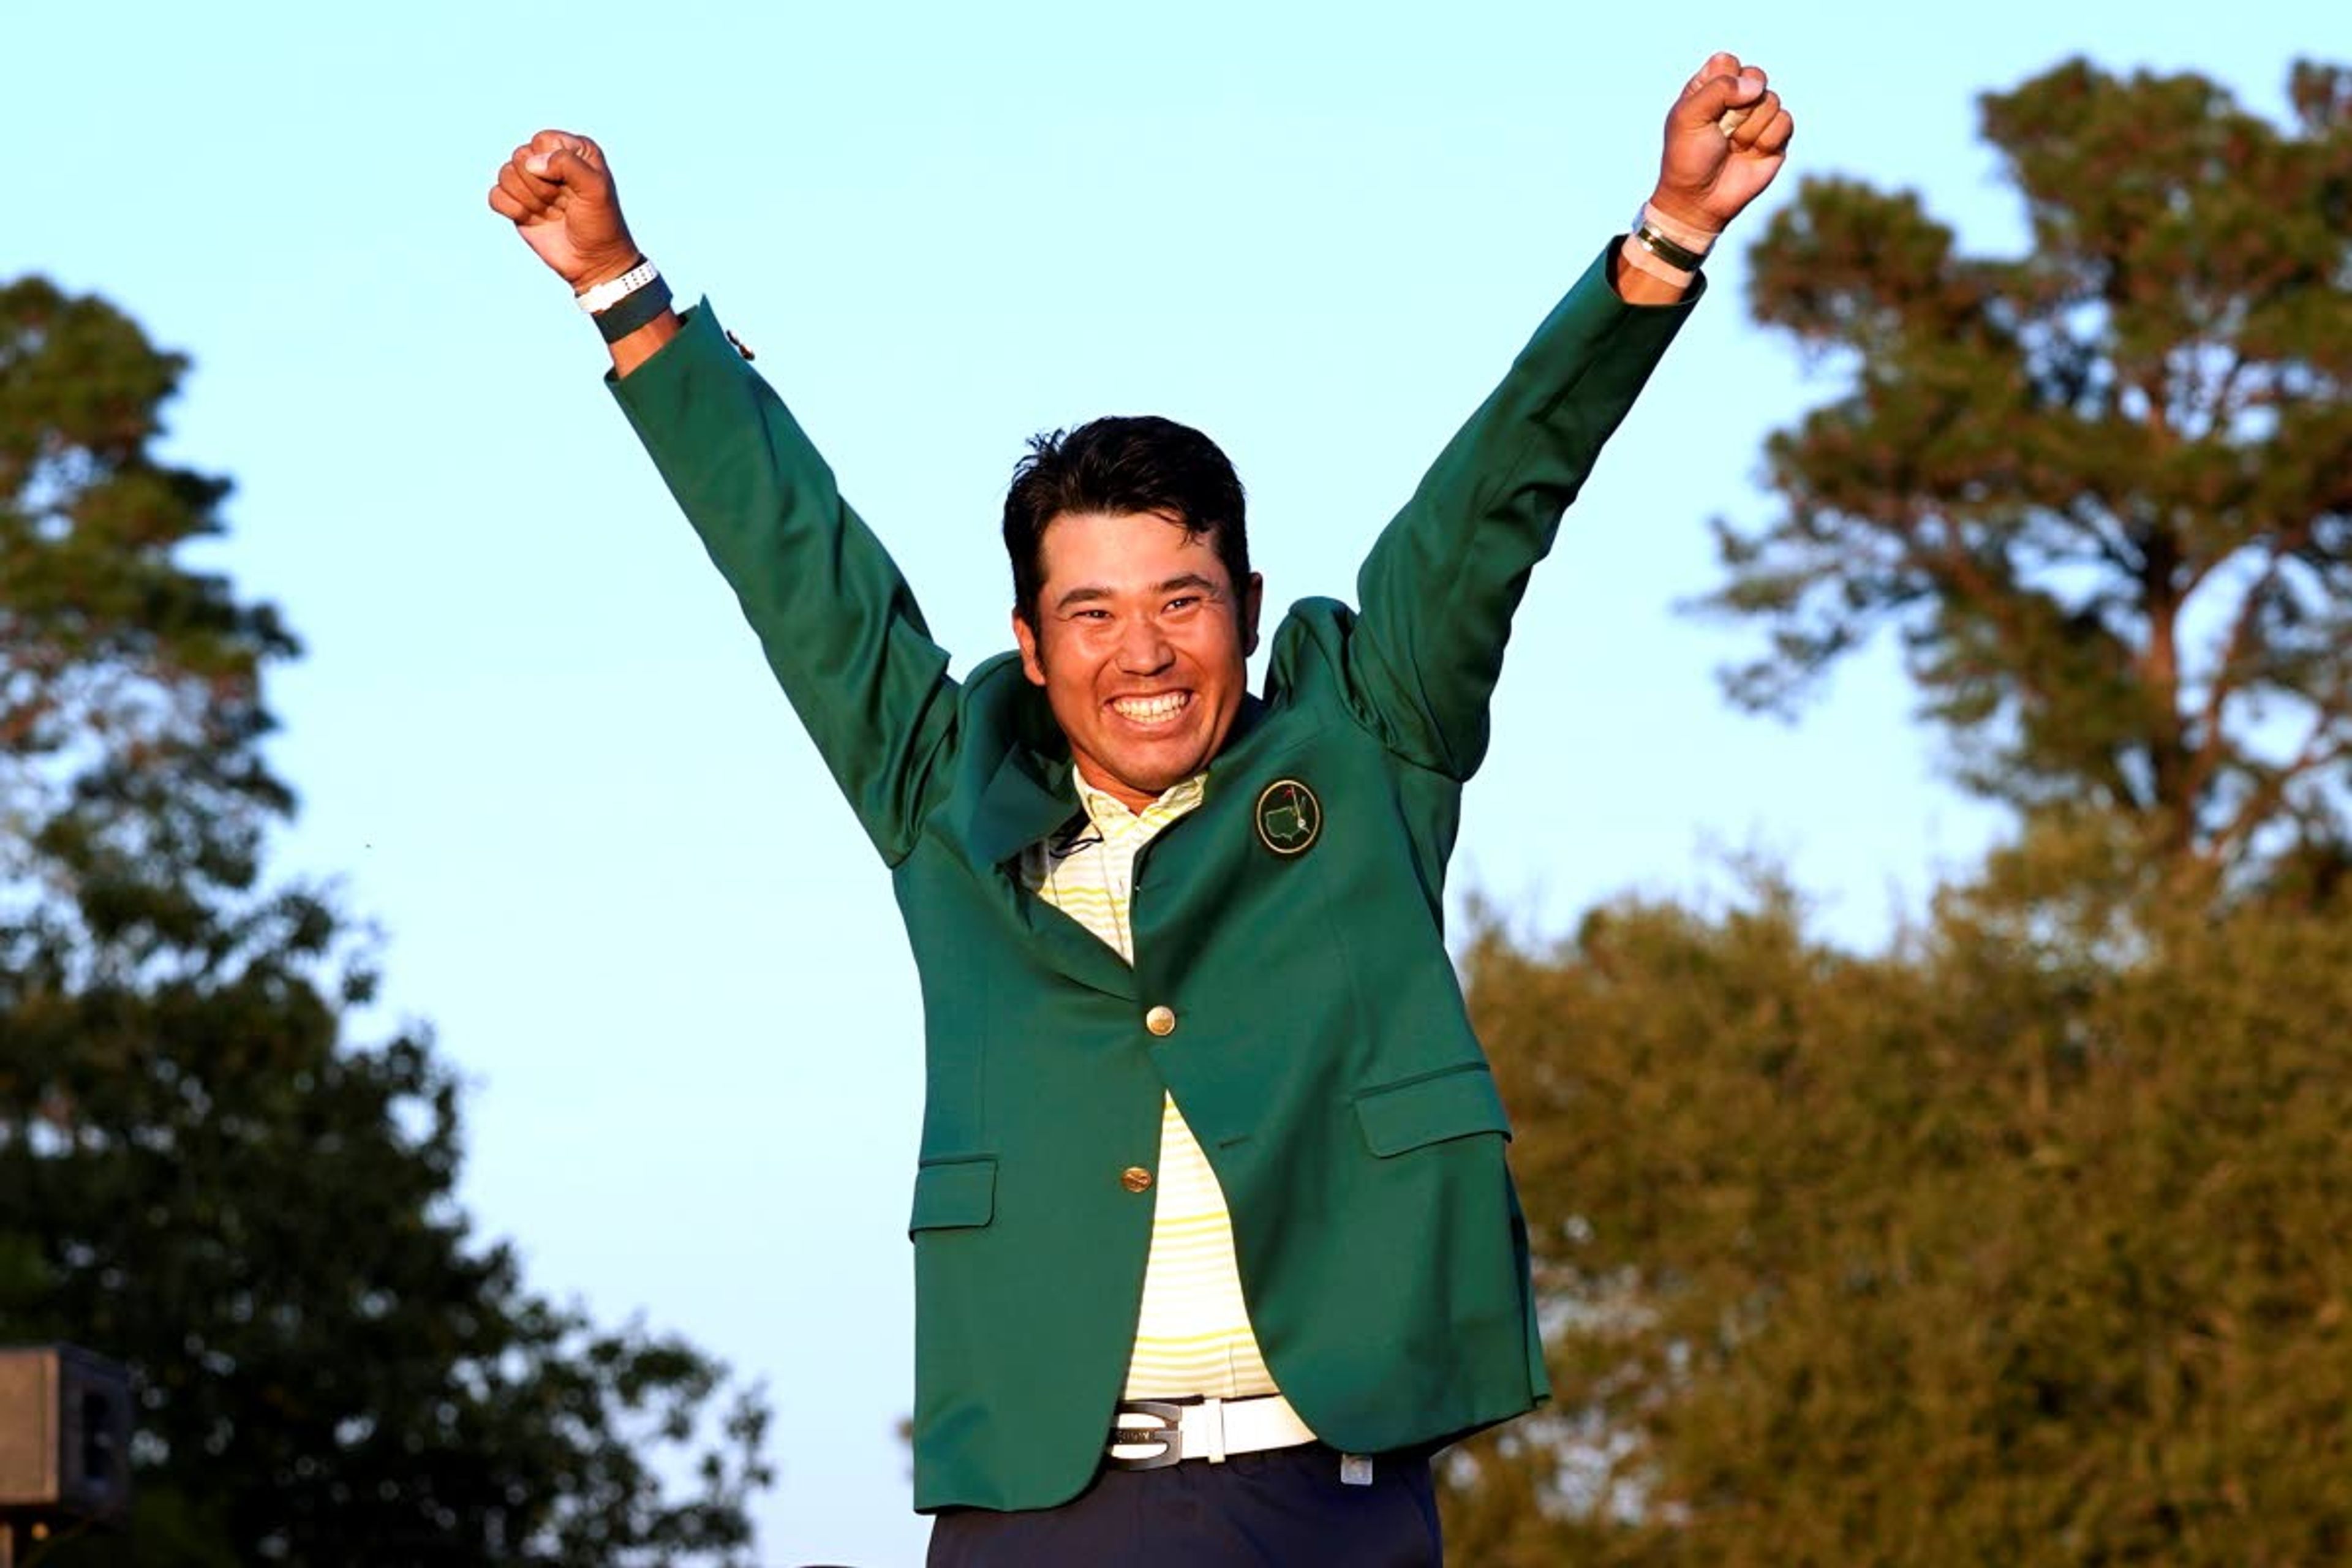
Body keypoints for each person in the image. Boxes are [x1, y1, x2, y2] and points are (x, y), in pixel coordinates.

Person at [491, 53, 1790, 1567]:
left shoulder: (1371, 743)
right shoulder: (940, 788)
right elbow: (797, 564)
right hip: (1045, 1504)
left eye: (1182, 600)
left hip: (1330, 1499)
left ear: (1242, 606)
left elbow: (1500, 492)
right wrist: (622, 293)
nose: (1145, 653)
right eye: (1092, 615)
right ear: (1033, 648)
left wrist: (1669, 241)